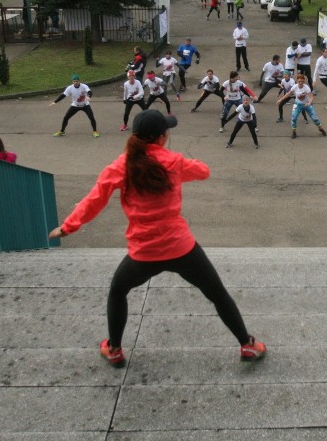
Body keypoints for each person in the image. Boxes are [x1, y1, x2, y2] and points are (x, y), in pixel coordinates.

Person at [47, 110, 266, 368]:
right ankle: (247, 345)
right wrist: (177, 166)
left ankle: (115, 350)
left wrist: (68, 227)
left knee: (118, 291)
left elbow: (95, 200)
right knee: (217, 293)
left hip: (143, 252)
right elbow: (204, 171)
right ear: (161, 137)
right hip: (181, 248)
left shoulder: (121, 166)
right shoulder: (173, 162)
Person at [277, 73, 327, 138]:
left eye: (302, 81)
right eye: (299, 81)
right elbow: (288, 94)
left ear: (304, 81)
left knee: (315, 118)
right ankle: (294, 132)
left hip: (306, 104)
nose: (300, 83)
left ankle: (320, 128)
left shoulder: (306, 88)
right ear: (297, 80)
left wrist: (309, 103)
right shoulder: (295, 87)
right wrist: (280, 100)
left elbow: (311, 97)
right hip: (297, 104)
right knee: (294, 118)